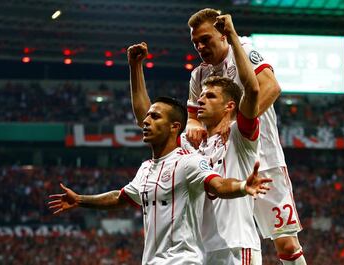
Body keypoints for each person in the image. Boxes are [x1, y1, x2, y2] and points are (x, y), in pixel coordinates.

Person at [48, 96, 272, 265]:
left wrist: (243, 186)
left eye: (155, 117)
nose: (146, 121)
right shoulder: (145, 169)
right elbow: (120, 197)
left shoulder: (189, 162)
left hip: (183, 260)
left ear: (175, 127)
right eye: (146, 117)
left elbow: (218, 184)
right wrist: (80, 200)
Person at [127, 32, 263, 263]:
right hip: (200, 251)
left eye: (210, 96)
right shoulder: (189, 145)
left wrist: (230, 35)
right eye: (200, 95)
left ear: (230, 105)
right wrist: (135, 67)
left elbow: (252, 90)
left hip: (236, 247)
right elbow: (146, 118)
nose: (200, 100)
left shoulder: (241, 135)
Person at [186, 8, 306, 265]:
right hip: (223, 165)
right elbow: (192, 117)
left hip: (263, 157)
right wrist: (192, 125)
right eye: (195, 42)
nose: (200, 46)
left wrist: (237, 123)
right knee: (223, 242)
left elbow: (270, 87)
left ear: (222, 35)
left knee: (285, 242)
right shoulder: (198, 75)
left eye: (205, 39)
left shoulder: (243, 49)